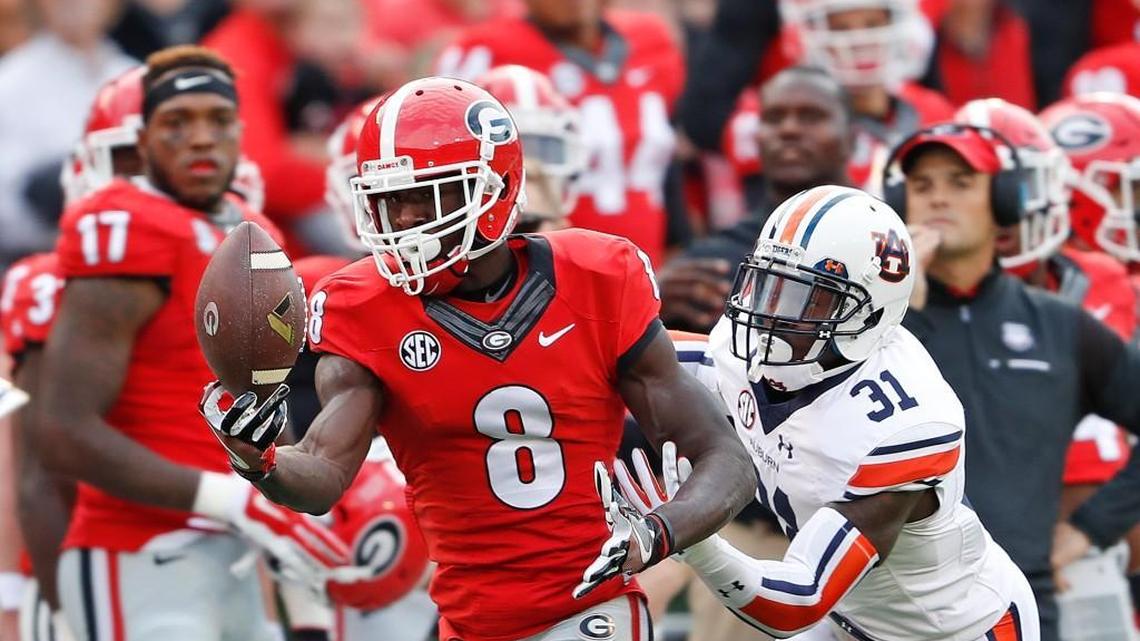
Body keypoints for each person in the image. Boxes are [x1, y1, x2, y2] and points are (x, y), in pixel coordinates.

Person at [198, 76, 756, 641]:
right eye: (387, 203)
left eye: (423, 197)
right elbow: (322, 474)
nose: (404, 223)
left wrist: (656, 534)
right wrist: (260, 460)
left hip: (592, 608)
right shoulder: (360, 309)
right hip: (469, 623)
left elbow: (723, 457)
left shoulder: (595, 279)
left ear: (492, 192)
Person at [610, 184, 1038, 640]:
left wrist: (687, 539)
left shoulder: (903, 426)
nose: (770, 314)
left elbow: (798, 601)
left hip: (954, 631)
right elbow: (648, 359)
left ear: (867, 313)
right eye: (769, 285)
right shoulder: (764, 347)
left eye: (803, 298)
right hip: (847, 621)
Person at [37, 45, 350, 641]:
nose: (201, 138)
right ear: (144, 139)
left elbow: (264, 409)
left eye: (217, 119)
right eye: (177, 123)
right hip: (135, 552)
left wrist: (278, 494)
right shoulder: (125, 224)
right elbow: (62, 430)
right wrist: (229, 498)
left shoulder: (247, 233)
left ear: (241, 129)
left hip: (233, 554)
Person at [890, 123, 1140, 641]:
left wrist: (1090, 528)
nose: (938, 197)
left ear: (1004, 200)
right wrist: (896, 312)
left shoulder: (1061, 326)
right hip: (890, 610)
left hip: (1020, 608)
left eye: (960, 182)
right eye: (922, 185)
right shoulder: (870, 329)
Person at [434, 0, 686, 266]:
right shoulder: (482, 53)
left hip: (647, 264)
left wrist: (678, 248)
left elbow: (666, 159)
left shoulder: (651, 39)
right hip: (544, 267)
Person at [658, 66, 853, 332]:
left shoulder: (896, 244)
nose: (789, 130)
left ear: (851, 138)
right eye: (773, 118)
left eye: (811, 117)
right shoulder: (709, 267)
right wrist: (647, 310)